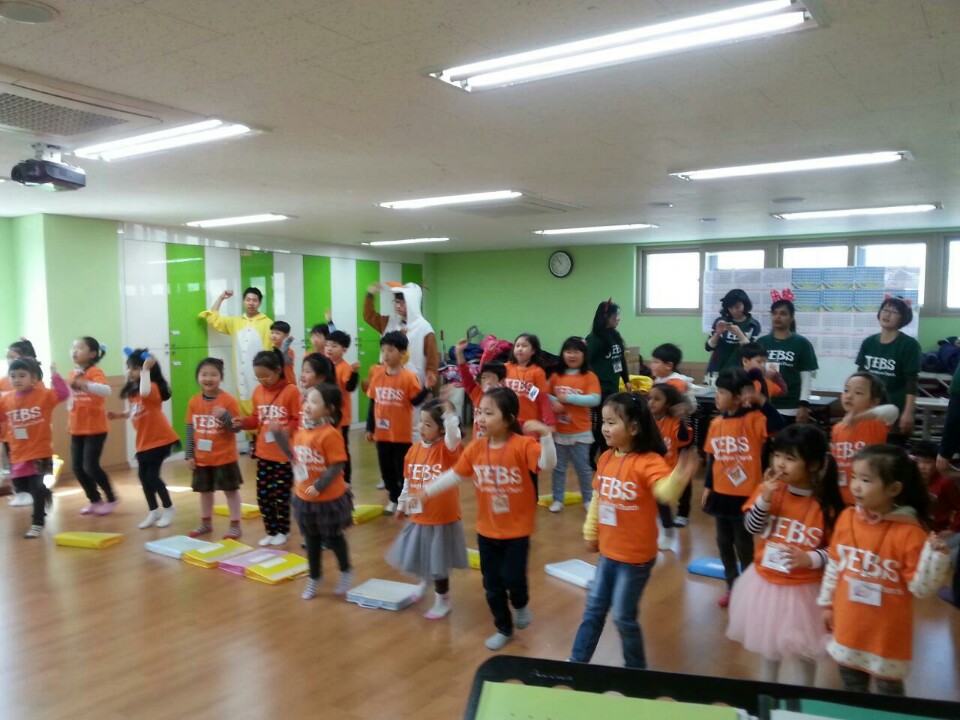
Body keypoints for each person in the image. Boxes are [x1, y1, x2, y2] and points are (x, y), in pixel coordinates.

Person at [569, 391, 699, 668]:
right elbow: (598, 498)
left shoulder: (649, 461)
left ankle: (636, 671)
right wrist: (590, 532)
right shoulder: (606, 458)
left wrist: (679, 476)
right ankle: (576, 664)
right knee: (593, 610)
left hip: (636, 559)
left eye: (611, 422)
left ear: (634, 428)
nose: (605, 428)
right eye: (603, 422)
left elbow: (664, 493)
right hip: (608, 552)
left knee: (623, 617)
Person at [423, 387, 556, 651]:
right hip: (486, 530)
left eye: (489, 413)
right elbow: (455, 475)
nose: (481, 418)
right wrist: (427, 491)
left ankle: (520, 604)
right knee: (491, 584)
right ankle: (503, 628)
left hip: (517, 531)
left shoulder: (522, 445)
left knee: (513, 578)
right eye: (479, 412)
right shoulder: (475, 448)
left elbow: (547, 464)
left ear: (508, 418)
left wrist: (546, 436)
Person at [817, 445, 951, 695]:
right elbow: (834, 565)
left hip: (887, 634)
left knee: (889, 694)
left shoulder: (910, 531)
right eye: (854, 477)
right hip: (849, 624)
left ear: (894, 489)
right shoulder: (846, 518)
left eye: (866, 480)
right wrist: (826, 604)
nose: (856, 486)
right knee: (852, 686)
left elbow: (920, 589)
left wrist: (936, 559)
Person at [726, 424, 845, 685]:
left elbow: (839, 552)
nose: (780, 463)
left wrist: (810, 559)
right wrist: (765, 499)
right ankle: (767, 699)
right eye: (777, 455)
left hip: (806, 589)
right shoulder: (769, 490)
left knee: (804, 655)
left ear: (814, 465)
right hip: (765, 583)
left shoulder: (827, 505)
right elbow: (752, 528)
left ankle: (800, 702)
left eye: (790, 458)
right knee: (769, 651)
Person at [703, 368, 785, 607]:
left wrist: (761, 401)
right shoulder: (716, 423)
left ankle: (749, 588)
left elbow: (779, 426)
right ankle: (732, 586)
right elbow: (713, 458)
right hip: (721, 494)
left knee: (743, 544)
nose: (717, 396)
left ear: (739, 397)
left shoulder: (755, 419)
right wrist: (708, 487)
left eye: (722, 392)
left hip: (746, 495)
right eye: (717, 391)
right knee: (723, 543)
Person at [387, 399, 468, 619]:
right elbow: (408, 482)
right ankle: (424, 583)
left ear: (441, 429)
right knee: (423, 556)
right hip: (420, 516)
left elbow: (454, 436)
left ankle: (443, 600)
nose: (421, 427)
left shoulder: (448, 449)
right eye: (420, 422)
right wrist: (402, 504)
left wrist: (450, 416)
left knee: (438, 562)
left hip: (441, 518)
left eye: (428, 424)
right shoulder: (413, 450)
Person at [274, 383, 354, 600]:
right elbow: (293, 457)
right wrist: (279, 437)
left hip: (328, 499)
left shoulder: (330, 434)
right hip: (304, 498)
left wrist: (319, 486)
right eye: (307, 400)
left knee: (333, 537)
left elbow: (337, 465)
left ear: (328, 409)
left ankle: (346, 570)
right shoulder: (301, 432)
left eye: (314, 401)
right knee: (311, 540)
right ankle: (314, 576)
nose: (307, 405)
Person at [237, 349, 301, 546]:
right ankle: (271, 530)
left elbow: (297, 419)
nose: (262, 381)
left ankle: (283, 530)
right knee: (263, 495)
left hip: (283, 454)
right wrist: (243, 423)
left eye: (266, 376)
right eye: (258, 377)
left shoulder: (291, 391)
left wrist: (286, 430)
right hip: (263, 453)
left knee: (281, 495)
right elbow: (256, 419)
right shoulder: (258, 392)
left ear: (278, 370)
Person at [0, 357, 68, 538]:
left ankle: (38, 522)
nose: (17, 379)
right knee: (20, 485)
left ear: (34, 378)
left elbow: (63, 394)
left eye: (22, 375)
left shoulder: (44, 395)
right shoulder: (6, 400)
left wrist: (55, 375)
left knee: (35, 486)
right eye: (13, 376)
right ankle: (45, 492)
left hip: (40, 450)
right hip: (18, 452)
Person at [109, 350, 178, 528]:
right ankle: (153, 511)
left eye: (134, 368)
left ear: (146, 370)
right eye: (129, 368)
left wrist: (146, 368)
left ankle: (169, 508)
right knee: (143, 477)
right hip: (144, 442)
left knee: (152, 476)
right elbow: (135, 410)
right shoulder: (134, 393)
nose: (129, 371)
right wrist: (119, 415)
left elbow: (145, 392)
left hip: (161, 439)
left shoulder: (151, 388)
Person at [366, 331, 429, 513]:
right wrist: (370, 427)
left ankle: (405, 499)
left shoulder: (408, 377)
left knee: (402, 470)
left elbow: (415, 401)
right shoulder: (377, 375)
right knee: (386, 471)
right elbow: (372, 402)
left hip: (401, 435)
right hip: (382, 434)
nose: (385, 355)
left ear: (402, 353)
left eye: (390, 350)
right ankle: (393, 498)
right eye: (383, 350)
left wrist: (427, 389)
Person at [183, 358, 244, 537]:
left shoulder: (228, 400)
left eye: (213, 374)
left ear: (221, 377)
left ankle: (235, 525)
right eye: (204, 374)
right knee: (205, 491)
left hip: (225, 457)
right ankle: (205, 523)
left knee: (230, 491)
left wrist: (225, 416)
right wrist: (189, 454)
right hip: (202, 458)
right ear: (198, 377)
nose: (208, 378)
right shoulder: (194, 401)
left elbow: (236, 428)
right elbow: (190, 428)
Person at [855, 296, 920, 442]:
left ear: (903, 318)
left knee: (891, 451)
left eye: (894, 312)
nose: (887, 314)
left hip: (895, 408)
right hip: (870, 408)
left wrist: (908, 412)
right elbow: (860, 377)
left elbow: (912, 382)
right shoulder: (868, 342)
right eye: (885, 310)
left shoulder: (909, 345)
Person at [199, 287, 272, 416]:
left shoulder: (268, 323)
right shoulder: (235, 322)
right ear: (243, 302)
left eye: (255, 300)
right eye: (248, 299)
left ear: (260, 303)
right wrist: (221, 298)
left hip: (261, 373)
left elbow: (274, 348)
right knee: (244, 403)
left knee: (262, 405)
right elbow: (214, 319)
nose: (251, 303)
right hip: (241, 374)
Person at [547, 337, 601, 513]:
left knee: (583, 468)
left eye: (576, 351)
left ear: (584, 355)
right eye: (568, 351)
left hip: (580, 432)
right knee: (558, 468)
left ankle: (588, 499)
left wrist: (569, 398)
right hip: (559, 432)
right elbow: (544, 394)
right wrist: (555, 401)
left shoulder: (589, 376)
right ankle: (558, 499)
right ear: (562, 354)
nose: (572, 355)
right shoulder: (556, 375)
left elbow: (595, 399)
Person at [67, 337, 118, 515]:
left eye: (79, 348)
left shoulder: (95, 371)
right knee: (77, 467)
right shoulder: (72, 373)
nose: (74, 351)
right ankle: (95, 500)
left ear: (92, 354)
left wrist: (86, 384)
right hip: (77, 428)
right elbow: (71, 400)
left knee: (90, 466)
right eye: (73, 347)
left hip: (95, 428)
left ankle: (111, 498)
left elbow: (106, 390)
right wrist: (69, 421)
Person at [830, 372, 898, 506]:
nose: (849, 396)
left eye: (858, 393)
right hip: (841, 495)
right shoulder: (837, 428)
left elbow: (892, 410)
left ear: (874, 401)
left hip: (869, 497)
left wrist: (861, 417)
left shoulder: (876, 423)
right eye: (846, 390)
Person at [364, 282, 439, 389]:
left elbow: (432, 358)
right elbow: (369, 316)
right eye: (396, 302)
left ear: (412, 303)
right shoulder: (389, 321)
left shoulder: (424, 328)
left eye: (402, 302)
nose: (398, 306)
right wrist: (370, 294)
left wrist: (431, 374)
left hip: (413, 381)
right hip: (388, 380)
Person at [758, 298, 819, 422]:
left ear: (791, 318)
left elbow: (806, 377)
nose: (778, 317)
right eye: (774, 313)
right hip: (764, 404)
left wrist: (804, 405)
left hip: (790, 407)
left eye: (783, 313)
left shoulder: (801, 343)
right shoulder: (762, 342)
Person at [586, 300, 631, 466]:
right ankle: (601, 458)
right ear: (606, 317)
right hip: (600, 389)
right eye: (616, 315)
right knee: (604, 423)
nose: (618, 319)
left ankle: (598, 457)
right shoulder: (594, 339)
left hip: (612, 388)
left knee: (605, 422)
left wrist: (626, 380)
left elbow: (620, 360)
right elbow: (586, 363)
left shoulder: (615, 335)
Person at [646, 383, 694, 537]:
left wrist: (681, 418)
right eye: (650, 398)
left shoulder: (673, 421)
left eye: (657, 399)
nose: (651, 402)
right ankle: (667, 526)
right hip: (657, 467)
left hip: (675, 466)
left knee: (684, 489)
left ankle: (683, 514)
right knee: (661, 497)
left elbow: (684, 438)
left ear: (667, 404)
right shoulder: (647, 421)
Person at [2, 339, 41, 507]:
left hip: (32, 432)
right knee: (14, 461)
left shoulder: (34, 382)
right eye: (8, 358)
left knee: (31, 463)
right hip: (9, 432)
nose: (10, 361)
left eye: (14, 357)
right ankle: (20, 491)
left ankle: (34, 491)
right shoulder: (4, 381)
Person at [325, 331, 360, 484]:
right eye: (327, 345)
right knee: (327, 447)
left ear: (344, 350)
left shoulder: (345, 367)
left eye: (334, 346)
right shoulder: (325, 365)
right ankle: (330, 478)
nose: (329, 348)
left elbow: (350, 387)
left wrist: (355, 373)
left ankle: (346, 481)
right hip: (326, 415)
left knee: (341, 448)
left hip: (341, 418)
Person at [455, 338, 506, 439]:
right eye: (484, 377)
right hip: (478, 444)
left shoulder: (504, 399)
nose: (487, 381)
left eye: (491, 378)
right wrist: (459, 352)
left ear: (501, 382)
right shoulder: (477, 393)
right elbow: (465, 374)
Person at [504, 333, 556, 428]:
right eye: (517, 345)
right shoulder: (506, 367)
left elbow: (543, 399)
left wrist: (550, 423)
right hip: (507, 421)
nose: (520, 349)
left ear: (533, 351)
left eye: (524, 346)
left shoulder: (537, 372)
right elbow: (485, 375)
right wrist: (488, 354)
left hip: (529, 423)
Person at [705, 289, 762, 375]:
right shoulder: (720, 321)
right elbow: (708, 347)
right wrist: (717, 334)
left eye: (737, 307)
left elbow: (753, 353)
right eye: (730, 308)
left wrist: (740, 335)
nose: (734, 311)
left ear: (745, 305)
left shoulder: (753, 325)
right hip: (717, 370)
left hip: (741, 372)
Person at [649, 343, 698, 407]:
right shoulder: (658, 379)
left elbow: (674, 405)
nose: (651, 365)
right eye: (652, 362)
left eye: (656, 362)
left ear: (669, 366)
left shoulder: (677, 382)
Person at [269, 320, 297, 386]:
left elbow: (284, 362)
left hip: (289, 382)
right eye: (272, 332)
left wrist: (285, 346)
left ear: (286, 335)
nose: (273, 336)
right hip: (277, 383)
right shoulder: (271, 350)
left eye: (277, 333)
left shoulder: (289, 351)